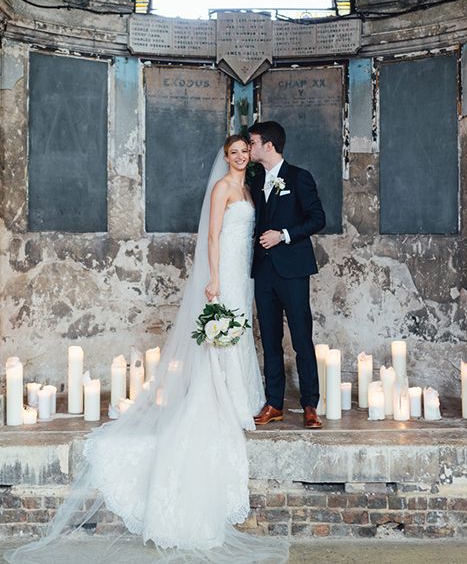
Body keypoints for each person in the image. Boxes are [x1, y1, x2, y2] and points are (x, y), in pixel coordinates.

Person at [6, 135, 289, 563]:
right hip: (223, 272)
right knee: (223, 334)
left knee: (240, 332)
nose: (239, 157)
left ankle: (242, 394)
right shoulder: (222, 189)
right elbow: (211, 237)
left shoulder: (249, 189)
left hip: (243, 273)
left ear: (250, 156)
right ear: (226, 157)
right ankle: (222, 395)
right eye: (233, 153)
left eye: (244, 152)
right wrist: (213, 279)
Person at [248, 121, 326, 429]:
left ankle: (310, 405)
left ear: (268, 145)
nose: (250, 148)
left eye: (252, 143)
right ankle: (274, 404)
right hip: (264, 272)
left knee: (301, 338)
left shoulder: (298, 177)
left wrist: (284, 235)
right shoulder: (255, 182)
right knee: (270, 339)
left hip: (293, 270)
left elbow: (317, 219)